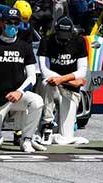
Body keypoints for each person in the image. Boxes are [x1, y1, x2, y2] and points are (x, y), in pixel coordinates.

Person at [0, 11, 43, 153]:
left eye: (16, 23)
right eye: (9, 22)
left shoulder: (25, 46)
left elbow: (32, 77)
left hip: (16, 97)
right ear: (2, 23)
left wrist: (19, 91)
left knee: (37, 101)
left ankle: (27, 139)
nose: (12, 26)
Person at [38, 16, 89, 145]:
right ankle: (47, 124)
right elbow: (45, 71)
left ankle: (59, 130)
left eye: (66, 37)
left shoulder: (79, 42)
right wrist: (71, 80)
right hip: (54, 85)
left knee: (65, 137)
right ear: (55, 31)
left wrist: (62, 79)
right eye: (60, 37)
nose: (63, 41)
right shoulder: (46, 41)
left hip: (69, 89)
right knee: (46, 83)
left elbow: (82, 71)